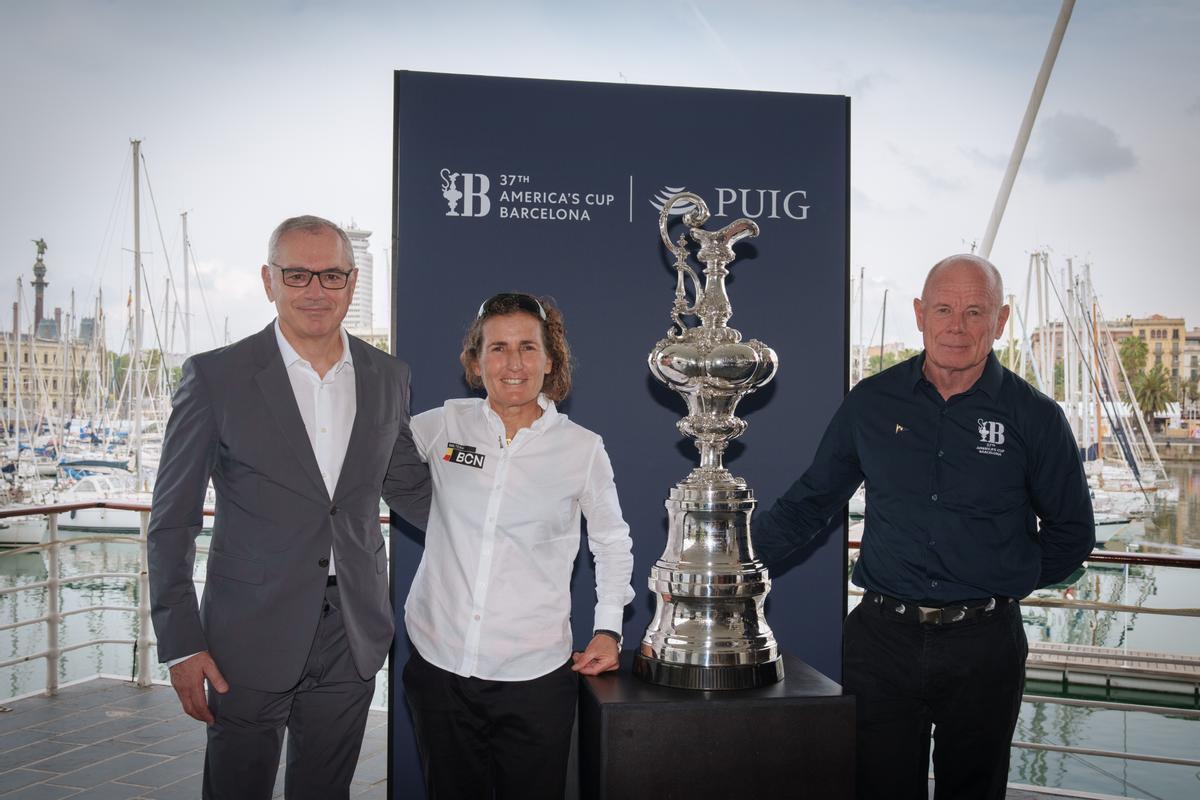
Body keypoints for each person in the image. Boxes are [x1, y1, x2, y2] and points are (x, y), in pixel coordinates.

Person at [753, 254, 1095, 800]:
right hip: (882, 642)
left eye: (974, 311)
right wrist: (731, 568)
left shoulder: (1035, 417)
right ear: (919, 313)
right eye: (943, 308)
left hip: (985, 647)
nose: (956, 325)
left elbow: (1072, 534)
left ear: (1001, 321)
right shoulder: (871, 402)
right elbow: (809, 505)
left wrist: (1004, 575)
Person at [147, 215, 431, 800]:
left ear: (352, 283)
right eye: (297, 275)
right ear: (268, 280)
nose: (315, 291)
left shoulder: (388, 377)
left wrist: (509, 501)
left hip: (351, 631)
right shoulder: (214, 377)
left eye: (330, 275)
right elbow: (171, 523)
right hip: (245, 635)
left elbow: (408, 486)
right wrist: (181, 643)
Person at [402, 292, 635, 799]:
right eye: (498, 348)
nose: (513, 363)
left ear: (550, 360)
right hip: (438, 665)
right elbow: (372, 455)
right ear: (475, 360)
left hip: (533, 676)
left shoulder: (582, 448)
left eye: (528, 348)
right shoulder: (442, 425)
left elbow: (611, 540)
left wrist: (608, 628)